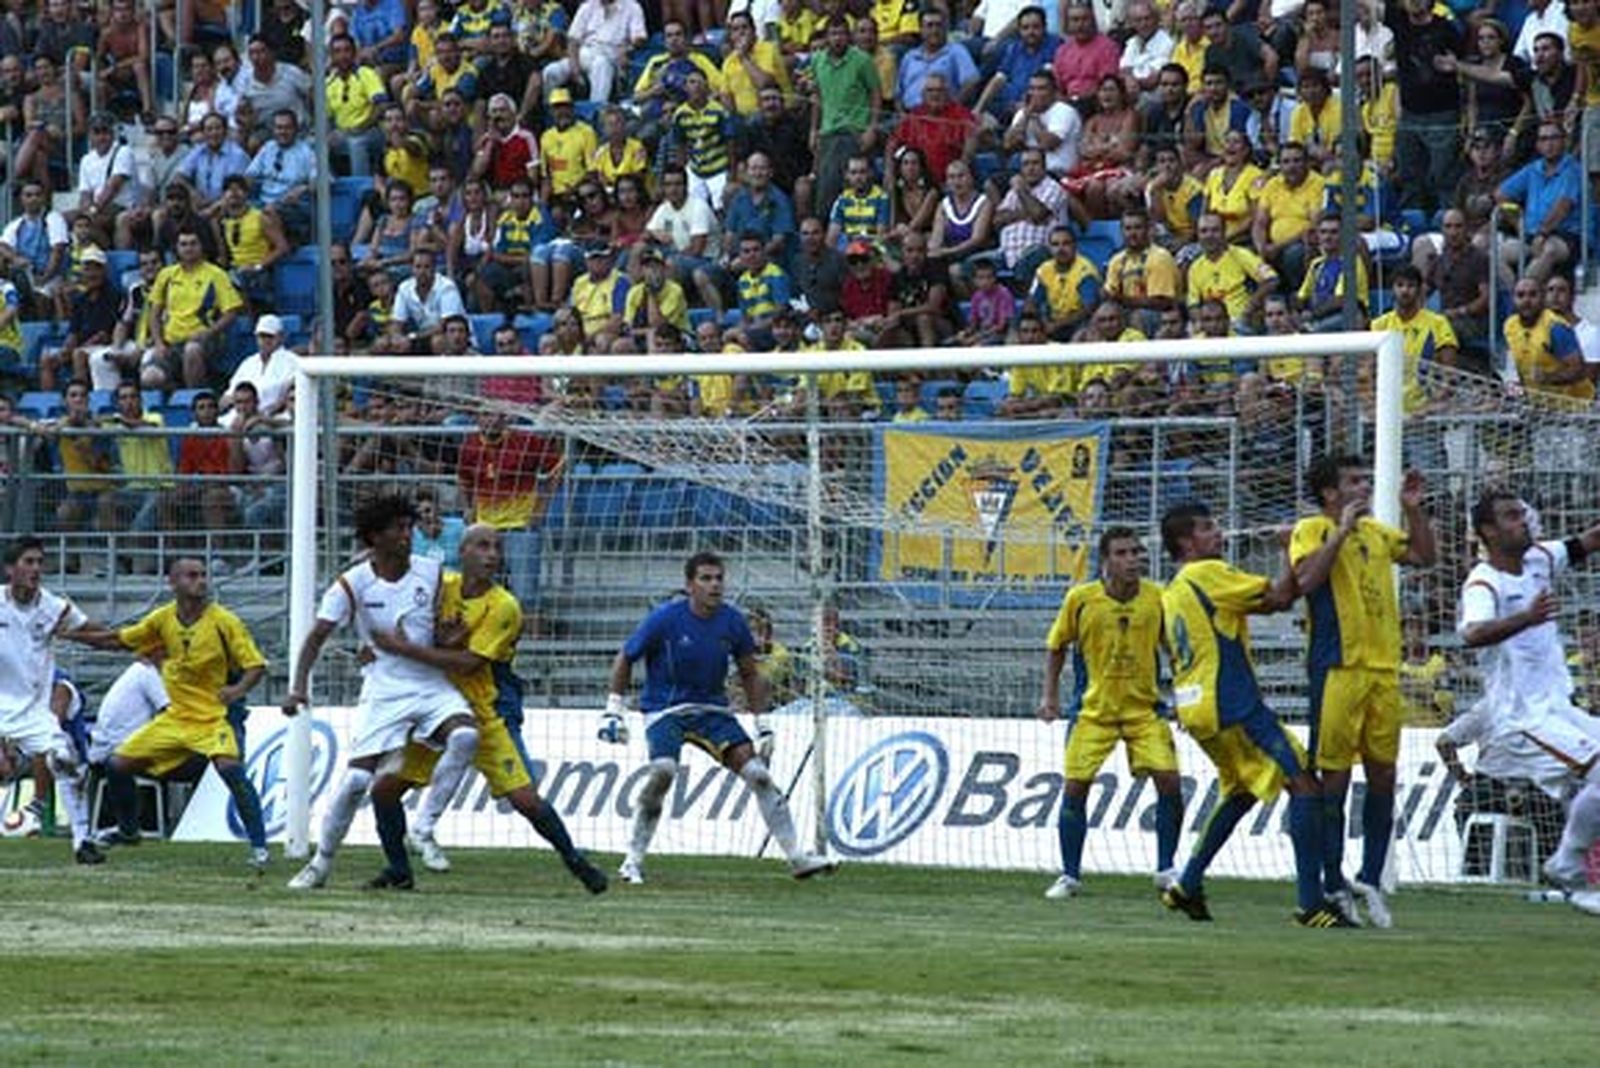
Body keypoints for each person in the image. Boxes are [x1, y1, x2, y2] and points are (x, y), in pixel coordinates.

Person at [1158, 502, 1353, 927]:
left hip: (1195, 706)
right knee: (1304, 784)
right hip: (1232, 703)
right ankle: (1310, 903)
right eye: (1207, 528)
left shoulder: (1172, 590)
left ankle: (1186, 884)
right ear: (1186, 543)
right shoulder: (1207, 573)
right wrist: (1289, 549)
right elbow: (1281, 598)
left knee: (1241, 791)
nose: (1218, 533)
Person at [382, 524, 607, 892]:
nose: (492, 554)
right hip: (430, 710)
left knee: (526, 799)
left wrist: (414, 648)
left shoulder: (504, 606)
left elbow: (469, 664)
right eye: (483, 546)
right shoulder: (442, 586)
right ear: (463, 551)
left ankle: (577, 862)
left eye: (497, 548)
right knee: (385, 790)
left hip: (478, 713)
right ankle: (398, 870)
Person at [604, 551, 837, 884]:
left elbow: (750, 673)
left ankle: (798, 858)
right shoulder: (664, 619)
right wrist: (613, 710)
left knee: (759, 775)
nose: (714, 585)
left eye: (718, 578)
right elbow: (626, 657)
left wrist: (762, 724)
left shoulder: (733, 622)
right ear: (690, 585)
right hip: (665, 711)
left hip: (712, 711)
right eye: (706, 578)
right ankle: (632, 861)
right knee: (663, 772)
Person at [285, 495, 481, 891]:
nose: (408, 535)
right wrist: (298, 688)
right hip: (384, 688)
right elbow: (317, 637)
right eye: (398, 529)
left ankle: (423, 828)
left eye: (409, 527)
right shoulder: (352, 583)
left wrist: (451, 636)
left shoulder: (432, 572)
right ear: (375, 537)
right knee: (357, 781)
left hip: (429, 684)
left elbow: (445, 622)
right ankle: (320, 863)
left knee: (465, 735)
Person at [1288, 457, 1436, 928]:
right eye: (1354, 481)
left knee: (1384, 775)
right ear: (1330, 493)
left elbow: (1425, 557)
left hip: (1383, 669)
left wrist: (1412, 509)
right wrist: (1340, 533)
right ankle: (1333, 881)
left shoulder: (1375, 532)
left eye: (1365, 480)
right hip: (1338, 668)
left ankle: (1370, 877)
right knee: (1333, 780)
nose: (1365, 487)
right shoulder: (1311, 529)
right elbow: (1305, 581)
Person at [1458, 491, 1600, 917]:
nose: (1523, 521)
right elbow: (1472, 633)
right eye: (1511, 516)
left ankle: (1574, 873)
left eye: (1522, 513)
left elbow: (1589, 540)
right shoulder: (1484, 582)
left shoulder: (1540, 558)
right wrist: (1526, 618)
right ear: (1488, 531)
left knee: (1589, 784)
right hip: (1522, 719)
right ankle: (1568, 865)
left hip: (1559, 708)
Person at [77, 557, 269, 869]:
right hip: (177, 717)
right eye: (192, 575)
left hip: (215, 716)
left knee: (231, 770)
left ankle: (260, 848)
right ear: (173, 582)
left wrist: (237, 691)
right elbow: (119, 640)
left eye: (203, 575)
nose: (201, 581)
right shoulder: (162, 619)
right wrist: (74, 635)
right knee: (118, 764)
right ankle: (129, 831)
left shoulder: (225, 622)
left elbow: (256, 666)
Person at [1036, 527, 1183, 900]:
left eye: (1136, 552)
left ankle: (1166, 869)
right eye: (1122, 553)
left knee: (1169, 781)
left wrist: (1184, 698)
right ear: (1105, 561)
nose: (1132, 559)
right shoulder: (1081, 599)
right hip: (1092, 712)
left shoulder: (1158, 597)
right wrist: (1050, 696)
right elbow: (1056, 647)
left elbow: (1176, 651)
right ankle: (1070, 875)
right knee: (1075, 788)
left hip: (1144, 710)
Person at [0, 536, 103, 864]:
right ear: (10, 569)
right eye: (28, 562)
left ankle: (82, 842)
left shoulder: (54, 608)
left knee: (64, 760)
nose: (36, 569)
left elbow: (94, 634)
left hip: (33, 712)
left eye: (39, 562)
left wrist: (134, 641)